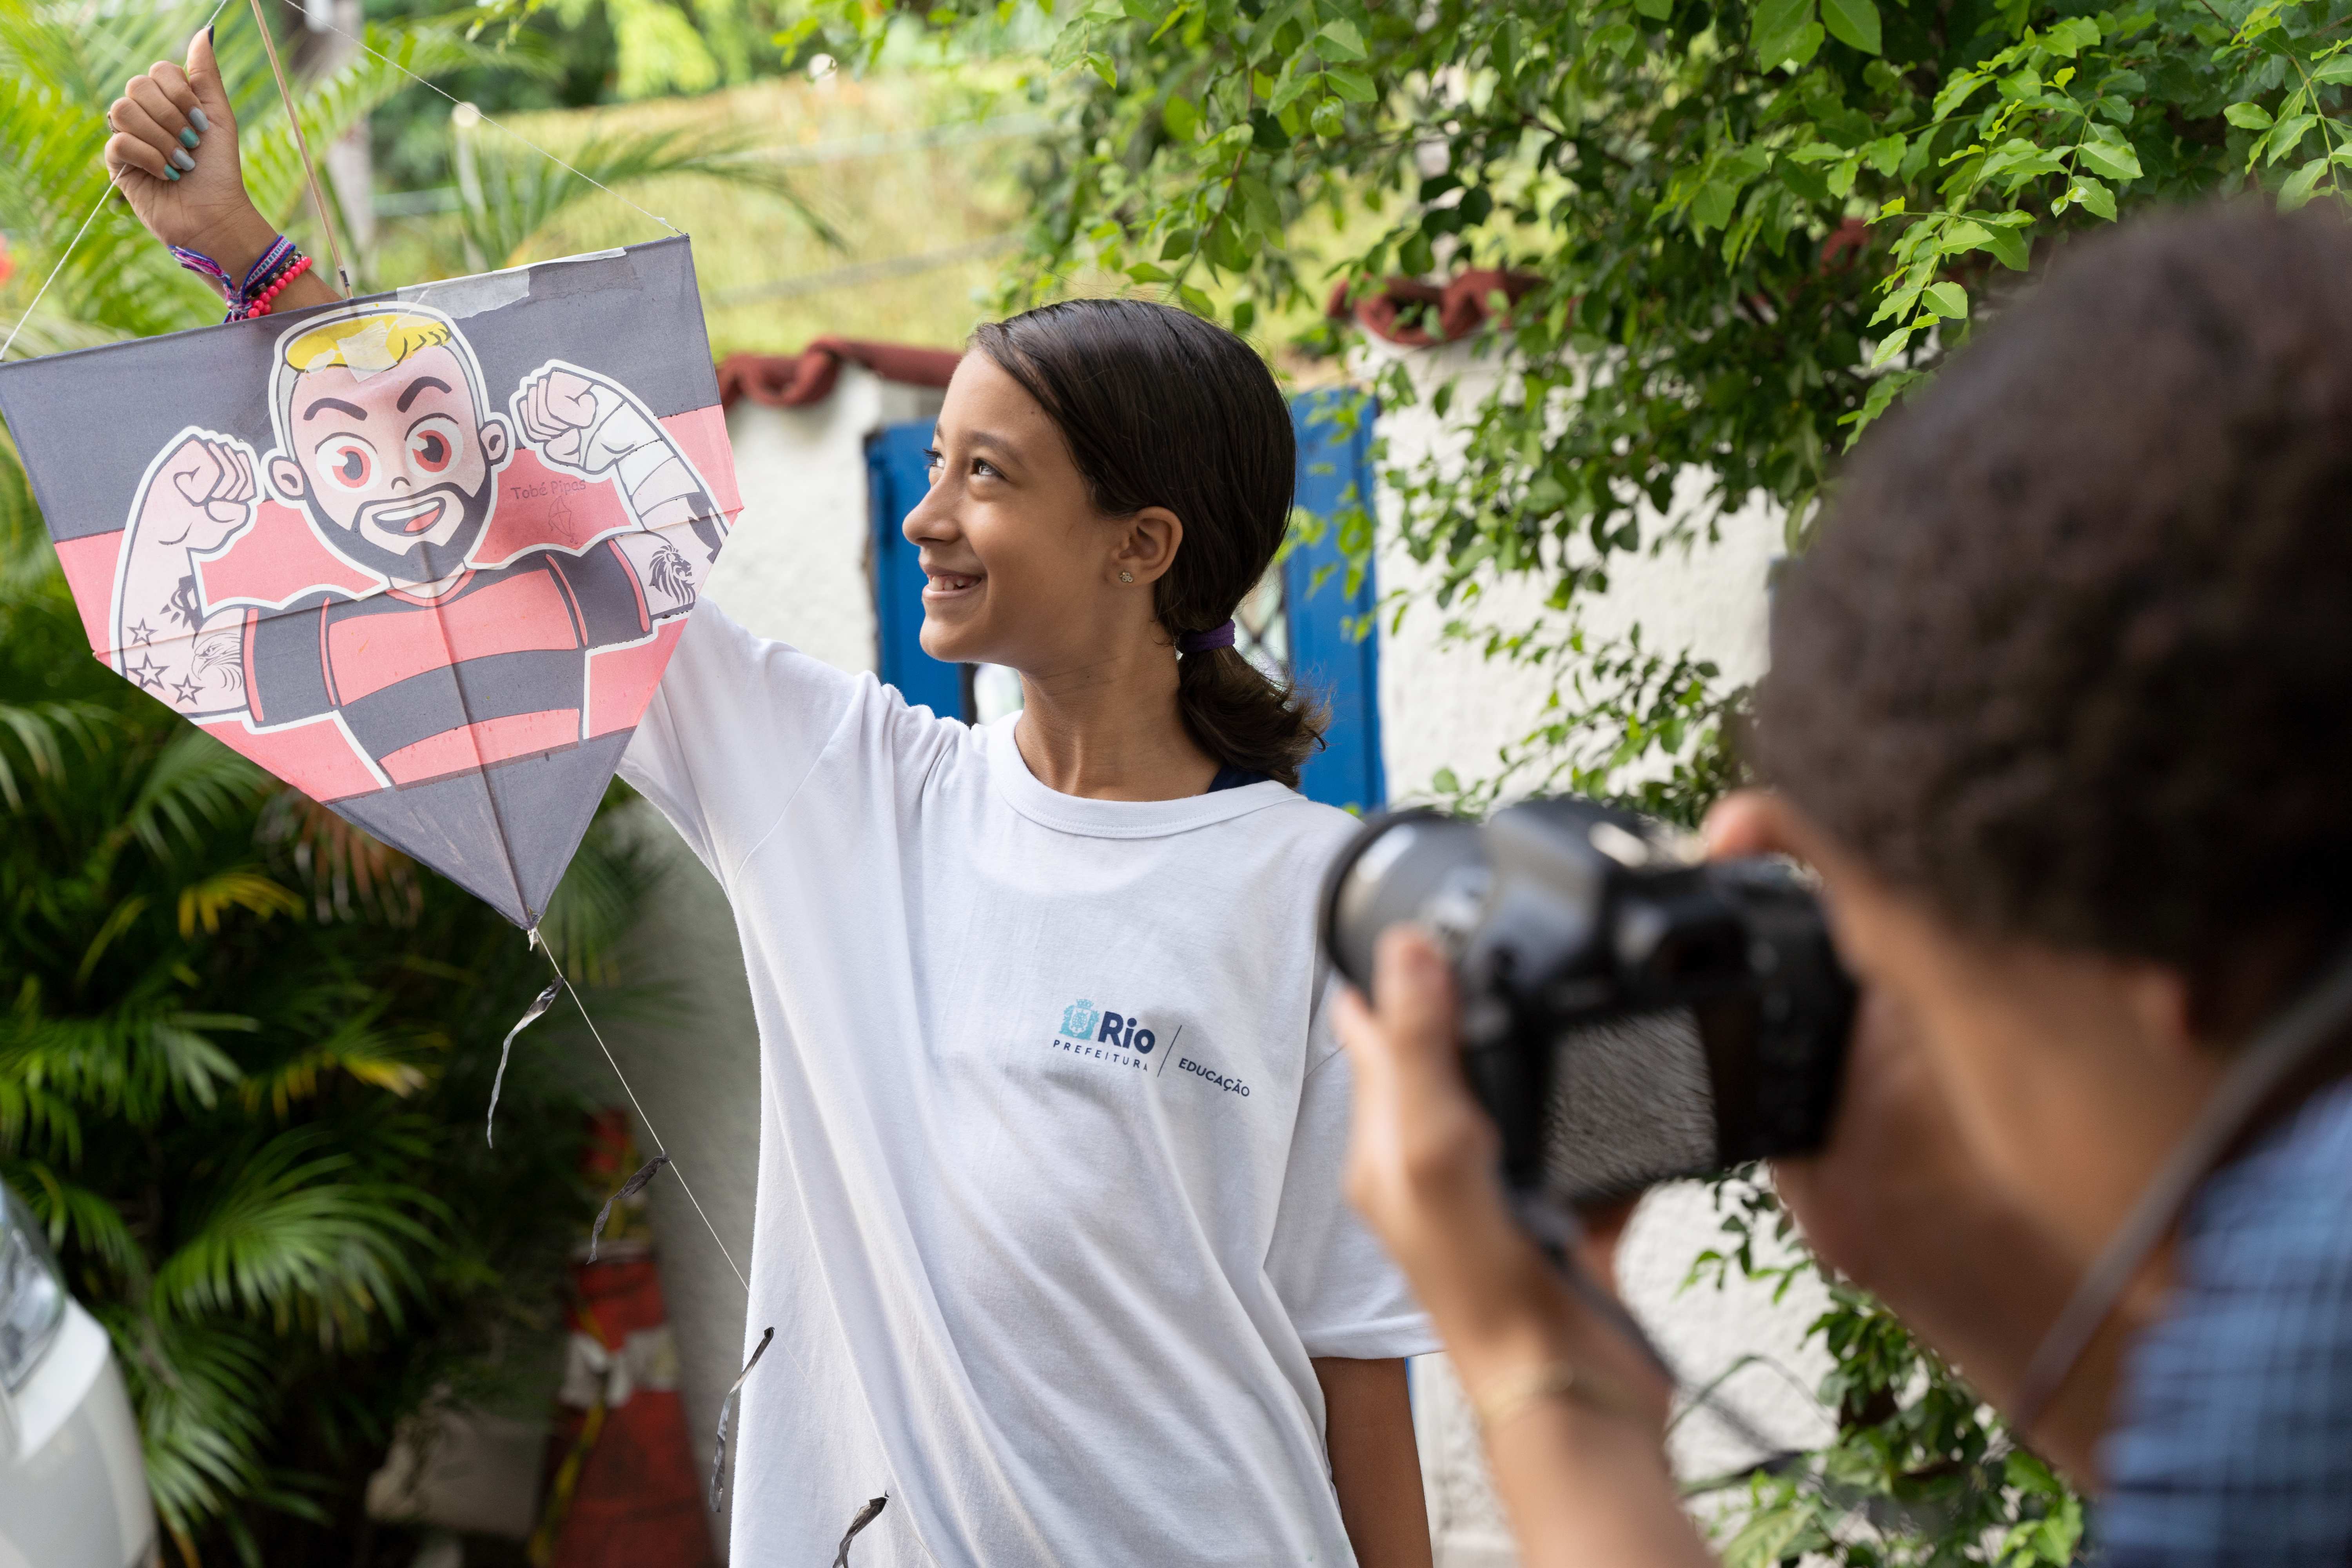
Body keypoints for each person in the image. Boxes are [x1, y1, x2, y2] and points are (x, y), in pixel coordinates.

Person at [106, 30, 1437, 1568]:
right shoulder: (842, 794)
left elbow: (1358, 1360)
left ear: (1143, 545)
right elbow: (526, 543)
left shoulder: (1317, 895)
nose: (929, 515)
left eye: (989, 477)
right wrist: (253, 264)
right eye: (936, 462)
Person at [1332, 200, 2352, 1568]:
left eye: (1938, 1004)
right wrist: (1942, 1251)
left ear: (2162, 976)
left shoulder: (2318, 1302)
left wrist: (1544, 1379)